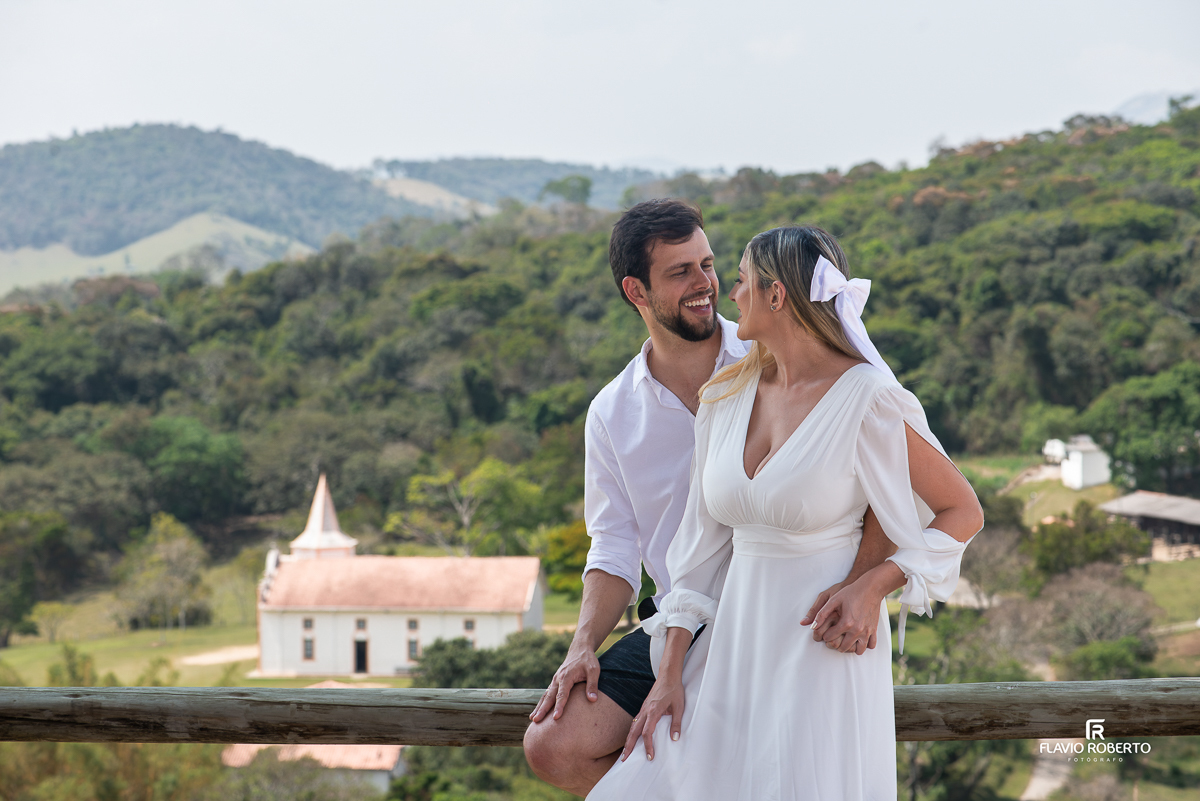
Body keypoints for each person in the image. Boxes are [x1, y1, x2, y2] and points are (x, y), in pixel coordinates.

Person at [585, 225, 984, 801]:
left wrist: (872, 587)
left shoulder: (864, 397)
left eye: (741, 280)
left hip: (822, 649)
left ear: (777, 296)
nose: (730, 293)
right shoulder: (724, 398)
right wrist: (668, 673)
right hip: (731, 650)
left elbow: (959, 509)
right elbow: (694, 560)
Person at [523, 201, 897, 797]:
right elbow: (614, 548)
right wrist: (581, 646)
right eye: (680, 273)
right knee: (553, 745)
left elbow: (886, 493)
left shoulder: (776, 355)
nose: (706, 285)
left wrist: (860, 587)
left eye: (709, 264)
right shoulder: (613, 411)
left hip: (782, 609)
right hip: (679, 618)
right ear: (635, 291)